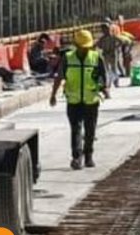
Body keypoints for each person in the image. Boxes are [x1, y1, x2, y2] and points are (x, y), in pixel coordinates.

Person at [49, 29, 108, 170]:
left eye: (87, 47)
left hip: (91, 100)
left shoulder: (96, 57)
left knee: (90, 130)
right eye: (82, 47)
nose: (84, 50)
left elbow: (103, 77)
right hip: (73, 100)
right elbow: (59, 77)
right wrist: (53, 95)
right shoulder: (68, 58)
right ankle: (77, 157)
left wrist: (104, 88)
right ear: (76, 45)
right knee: (75, 129)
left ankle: (89, 156)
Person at [96, 21, 125, 87]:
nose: (104, 30)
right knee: (106, 69)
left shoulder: (113, 37)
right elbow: (98, 45)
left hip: (113, 54)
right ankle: (108, 83)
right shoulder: (102, 38)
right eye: (103, 29)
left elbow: (121, 41)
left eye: (105, 29)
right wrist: (101, 47)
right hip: (106, 54)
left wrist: (116, 47)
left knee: (114, 68)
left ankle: (116, 82)